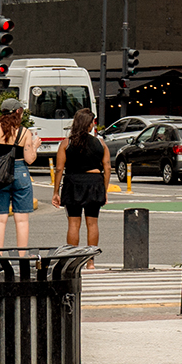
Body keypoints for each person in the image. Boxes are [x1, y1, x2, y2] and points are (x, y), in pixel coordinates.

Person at [51, 108, 109, 262]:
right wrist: (105, 189)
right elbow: (107, 167)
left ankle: (72, 261)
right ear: (89, 125)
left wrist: (56, 191)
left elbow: (59, 168)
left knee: (73, 223)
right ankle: (90, 262)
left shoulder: (66, 143)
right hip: (94, 183)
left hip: (73, 183)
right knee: (92, 223)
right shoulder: (100, 144)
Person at [0, 101, 37, 247]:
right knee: (22, 220)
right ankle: (21, 256)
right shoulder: (24, 132)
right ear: (18, 112)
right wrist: (35, 146)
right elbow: (29, 159)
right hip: (20, 171)